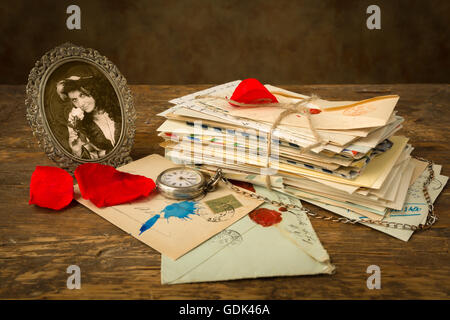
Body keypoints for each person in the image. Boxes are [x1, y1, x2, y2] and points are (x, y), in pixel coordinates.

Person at [56, 75, 121, 159]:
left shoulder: (116, 108)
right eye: (74, 100)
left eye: (82, 95)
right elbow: (88, 158)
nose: (80, 104)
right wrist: (74, 132)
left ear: (92, 91)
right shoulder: (82, 124)